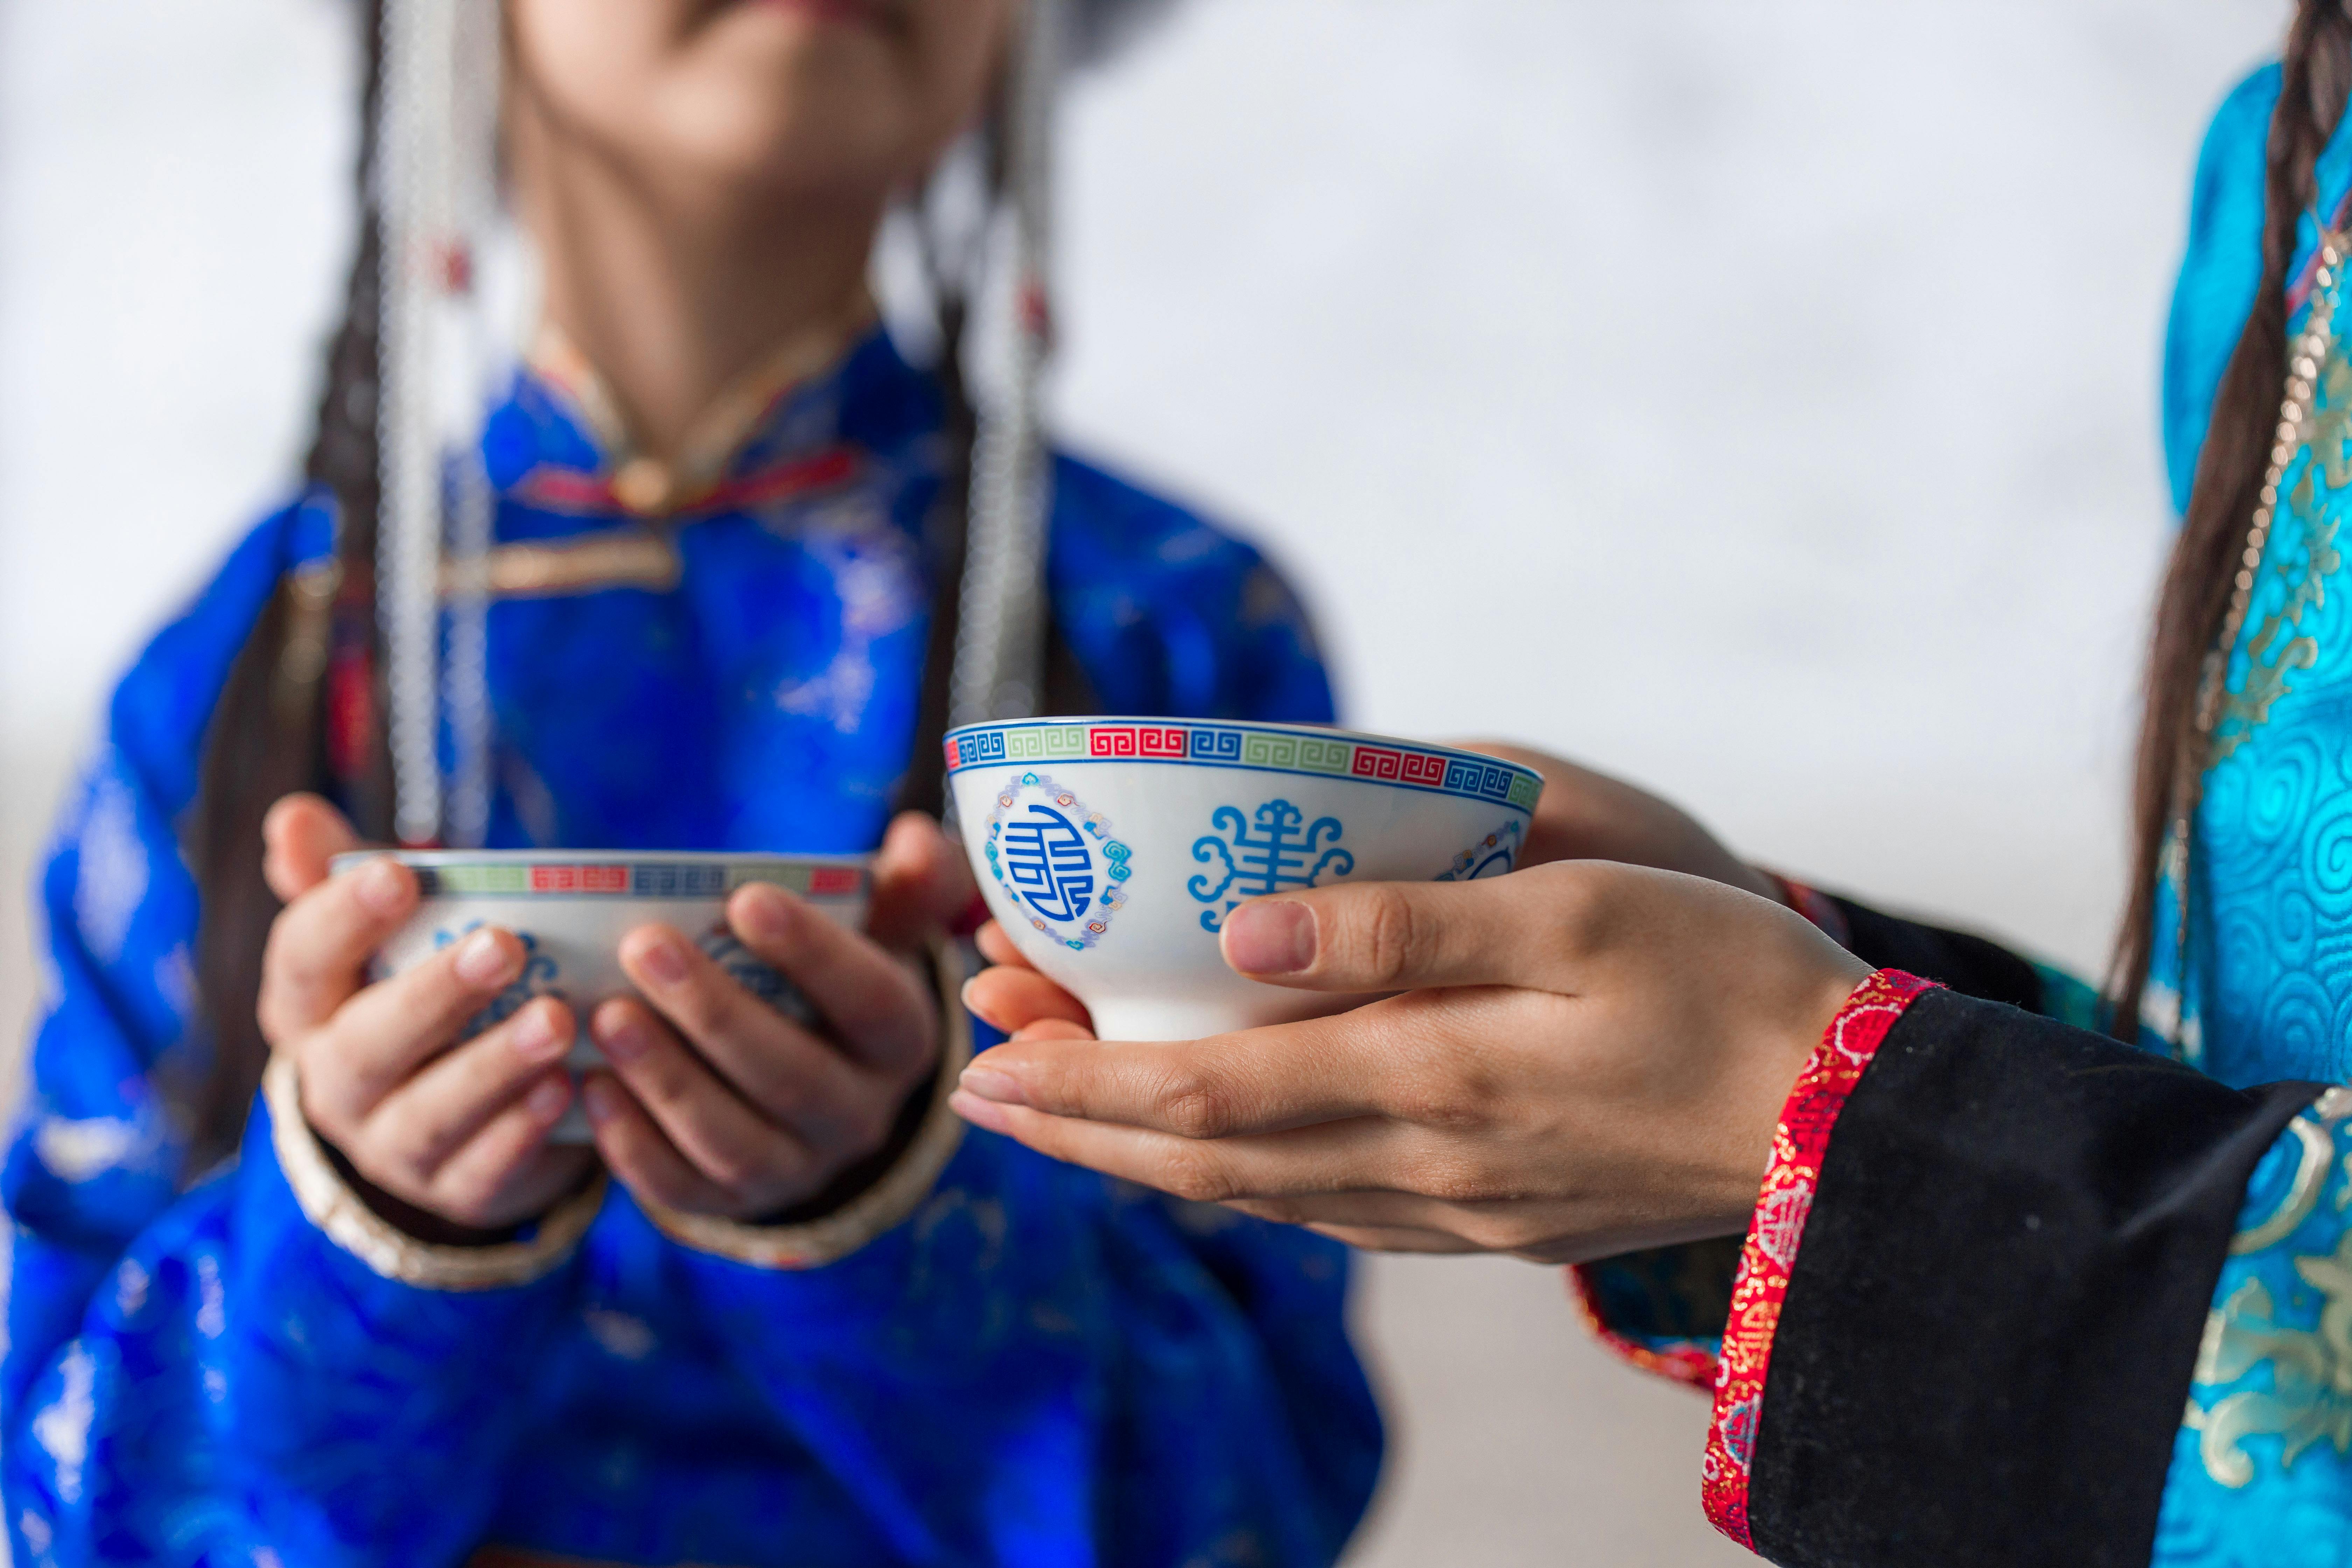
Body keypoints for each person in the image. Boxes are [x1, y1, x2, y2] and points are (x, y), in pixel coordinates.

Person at [953, 7, 2352, 1565]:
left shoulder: (1174, 606)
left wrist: (1847, 1127)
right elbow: (2253, 1093)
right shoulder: (2280, 164)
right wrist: (1804, 1000)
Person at [5, 3, 1378, 1564]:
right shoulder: (249, 671)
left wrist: (880, 1209)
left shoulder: (1174, 642)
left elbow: (1261, 1506)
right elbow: (64, 1509)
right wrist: (370, 1222)